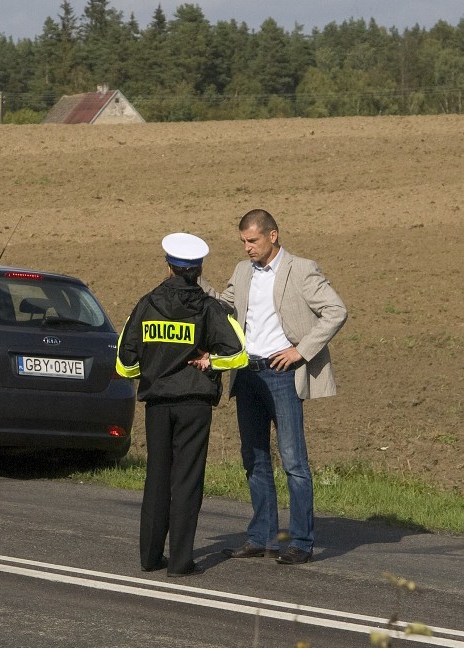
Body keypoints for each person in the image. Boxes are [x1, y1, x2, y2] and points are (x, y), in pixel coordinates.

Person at [208, 209, 348, 565]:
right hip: (247, 374)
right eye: (242, 241)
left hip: (282, 374)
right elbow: (224, 305)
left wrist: (301, 351)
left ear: (273, 235)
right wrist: (191, 280)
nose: (247, 248)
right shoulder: (242, 271)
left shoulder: (301, 269)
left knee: (293, 462)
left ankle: (300, 542)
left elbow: (335, 310)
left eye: (252, 240)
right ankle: (262, 538)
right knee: (253, 459)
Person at [116, 233, 248, 577]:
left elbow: (124, 363)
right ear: (199, 269)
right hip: (194, 404)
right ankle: (180, 562)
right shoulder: (209, 308)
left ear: (168, 266)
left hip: (157, 404)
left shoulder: (146, 304)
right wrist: (209, 362)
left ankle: (149, 557)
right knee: (187, 481)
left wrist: (151, 366)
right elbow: (238, 354)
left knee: (157, 477)